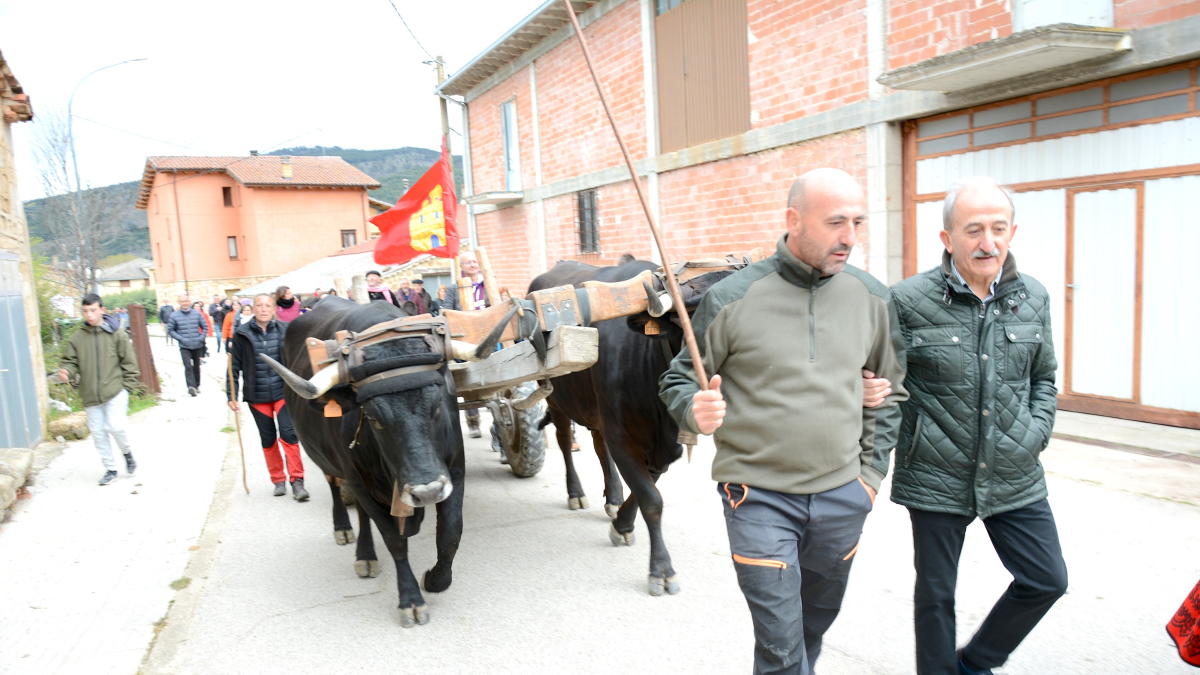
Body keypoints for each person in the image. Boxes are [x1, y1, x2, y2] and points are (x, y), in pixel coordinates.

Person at [659, 168, 908, 675]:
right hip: (758, 498)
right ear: (794, 220)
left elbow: (890, 391)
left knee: (811, 628)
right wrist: (694, 409)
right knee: (780, 642)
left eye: (857, 222)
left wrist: (869, 478)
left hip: (843, 497)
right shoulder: (733, 298)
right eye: (836, 222)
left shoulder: (872, 297)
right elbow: (679, 379)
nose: (850, 237)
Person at [889, 176, 1066, 675]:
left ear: (1012, 233)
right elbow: (883, 384)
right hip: (935, 471)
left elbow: (1044, 378)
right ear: (947, 239)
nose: (988, 242)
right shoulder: (906, 300)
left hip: (1014, 468)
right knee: (936, 596)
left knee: (1047, 579)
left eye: (998, 228)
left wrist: (1034, 434)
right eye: (973, 230)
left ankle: (973, 664)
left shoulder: (1034, 296)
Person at [227, 293, 309, 500]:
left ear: (273, 309)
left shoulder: (285, 330)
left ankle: (297, 481)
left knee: (289, 435)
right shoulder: (242, 334)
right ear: (253, 308)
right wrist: (231, 395)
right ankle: (278, 480)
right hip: (257, 396)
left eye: (267, 306)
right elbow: (233, 367)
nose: (263, 309)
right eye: (259, 305)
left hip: (283, 393)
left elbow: (298, 358)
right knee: (268, 438)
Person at [58, 294, 141, 486]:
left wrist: (127, 388)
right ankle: (110, 469)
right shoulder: (77, 338)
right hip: (90, 395)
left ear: (102, 310)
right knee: (98, 434)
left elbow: (130, 363)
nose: (89, 315)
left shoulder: (116, 334)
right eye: (85, 311)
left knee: (116, 427)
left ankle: (127, 453)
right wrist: (66, 372)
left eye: (93, 310)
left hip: (115, 391)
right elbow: (70, 362)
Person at [455, 251, 489, 437]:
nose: (472, 265)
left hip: (490, 338)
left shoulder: (488, 285)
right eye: (468, 262)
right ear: (461, 267)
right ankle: (473, 421)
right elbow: (447, 313)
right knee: (469, 380)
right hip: (465, 341)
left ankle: (500, 428)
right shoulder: (454, 288)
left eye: (475, 261)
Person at [166, 294, 210, 397]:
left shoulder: (196, 314)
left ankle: (197, 385)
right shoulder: (174, 315)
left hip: (197, 344)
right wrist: (181, 338)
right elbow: (171, 330)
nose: (184, 303)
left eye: (186, 301)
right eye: (182, 301)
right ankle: (191, 386)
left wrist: (201, 338)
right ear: (179, 303)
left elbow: (205, 326)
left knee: (196, 366)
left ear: (189, 302)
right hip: (184, 346)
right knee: (188, 366)